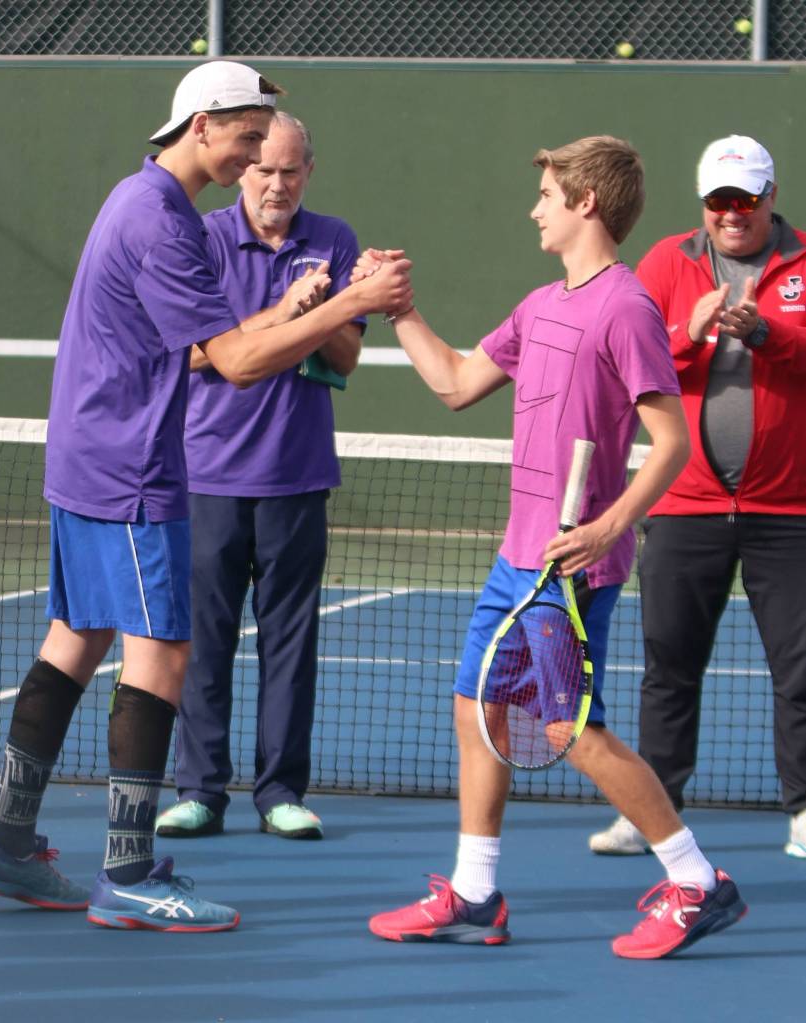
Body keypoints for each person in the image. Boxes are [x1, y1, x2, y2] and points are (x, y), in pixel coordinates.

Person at [0, 60, 412, 931]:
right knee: (162, 655)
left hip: (88, 456)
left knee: (74, 640)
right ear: (200, 125)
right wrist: (352, 299)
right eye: (246, 138)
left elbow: (221, 345)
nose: (254, 157)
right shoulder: (165, 221)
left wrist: (306, 305)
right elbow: (237, 364)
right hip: (132, 468)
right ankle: (126, 871)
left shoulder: (138, 199)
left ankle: (8, 842)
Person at [363, 136, 747, 959]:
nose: (533, 207)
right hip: (517, 561)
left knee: (570, 729)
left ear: (585, 204)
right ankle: (473, 891)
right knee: (475, 707)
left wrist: (612, 524)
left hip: (570, 568)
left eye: (546, 194)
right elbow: (457, 383)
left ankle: (694, 879)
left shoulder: (625, 306)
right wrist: (399, 312)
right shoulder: (540, 306)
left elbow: (669, 439)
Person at [589, 135, 806, 860]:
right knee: (668, 666)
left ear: (770, 196)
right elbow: (630, 354)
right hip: (685, 507)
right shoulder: (663, 263)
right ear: (702, 205)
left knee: (799, 669)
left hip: (789, 511)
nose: (731, 214)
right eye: (718, 201)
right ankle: (653, 812)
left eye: (744, 199)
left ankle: (803, 812)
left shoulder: (803, 261)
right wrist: (689, 331)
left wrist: (767, 333)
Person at [154, 112, 363, 842]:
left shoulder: (334, 240)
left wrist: (328, 306)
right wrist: (283, 310)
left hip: (297, 478)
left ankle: (280, 791)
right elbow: (187, 355)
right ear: (242, 168)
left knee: (290, 643)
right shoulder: (200, 239)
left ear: (310, 169)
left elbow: (344, 356)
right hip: (206, 476)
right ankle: (200, 790)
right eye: (264, 168)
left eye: (290, 170)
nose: (276, 183)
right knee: (202, 642)